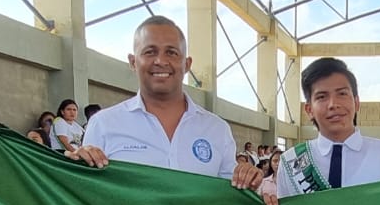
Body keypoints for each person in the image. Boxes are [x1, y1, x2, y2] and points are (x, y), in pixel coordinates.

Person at [75, 16, 263, 193]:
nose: (160, 61)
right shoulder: (103, 124)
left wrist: (251, 181)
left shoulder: (217, 129)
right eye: (150, 52)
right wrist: (73, 166)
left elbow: (232, 197)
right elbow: (87, 196)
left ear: (187, 64)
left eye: (171, 52)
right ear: (133, 62)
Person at [275, 58, 380, 199]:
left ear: (356, 102)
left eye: (342, 94)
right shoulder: (291, 162)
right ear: (309, 110)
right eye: (322, 97)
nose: (333, 104)